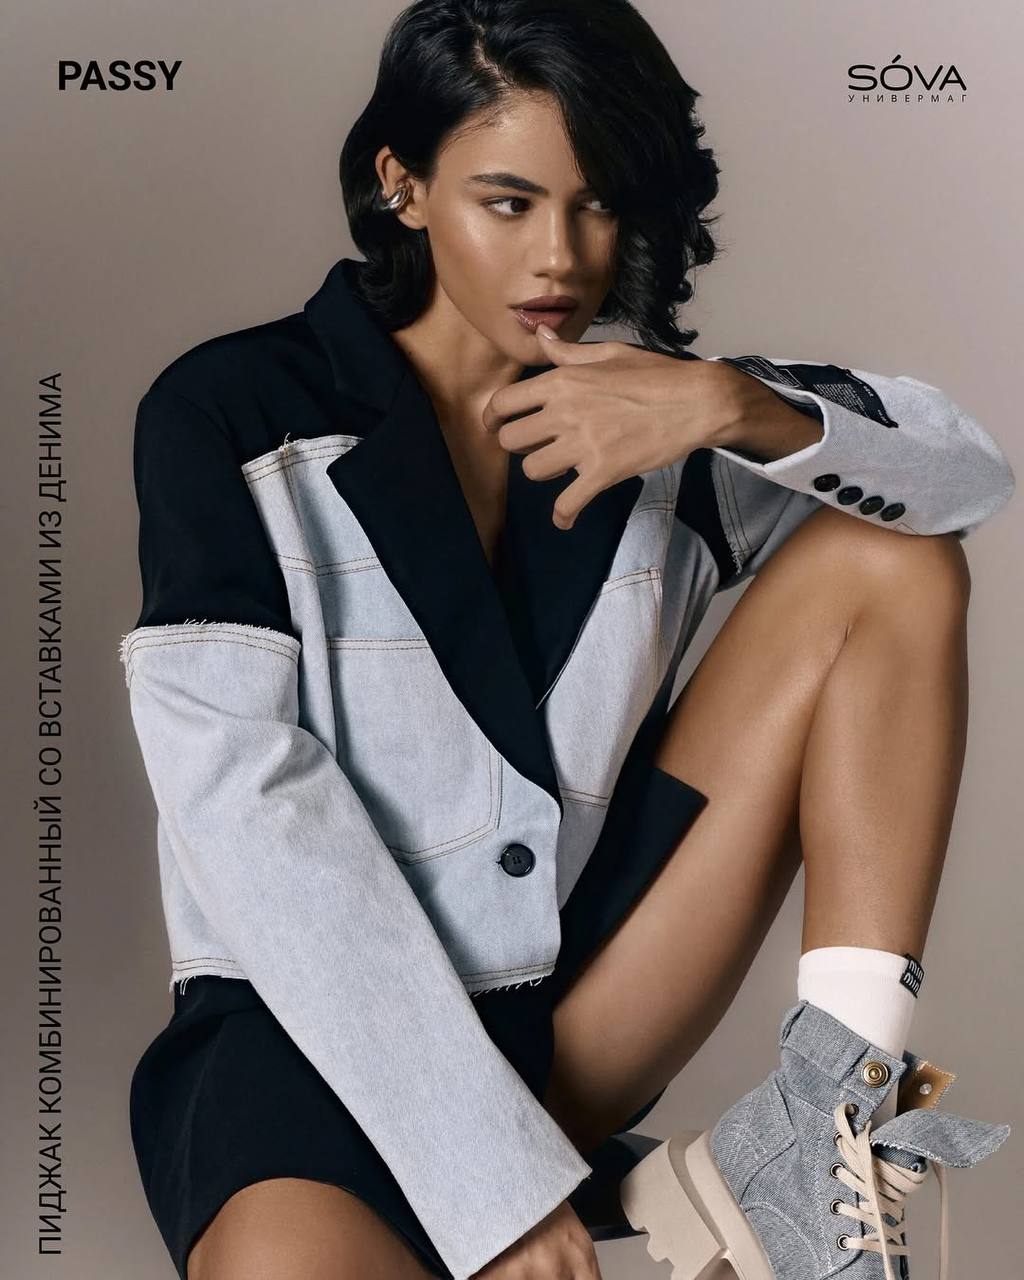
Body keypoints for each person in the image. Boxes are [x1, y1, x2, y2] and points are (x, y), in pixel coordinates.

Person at [120, 3, 1014, 1279]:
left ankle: (828, 1117)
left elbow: (964, 483)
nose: (559, 259)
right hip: (306, 1049)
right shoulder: (231, 409)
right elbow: (248, 811)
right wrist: (490, 1174)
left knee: (893, 557)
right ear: (403, 184)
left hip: (575, 1005)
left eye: (595, 206)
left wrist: (729, 403)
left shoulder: (653, 419)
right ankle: (609, 1178)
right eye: (509, 202)